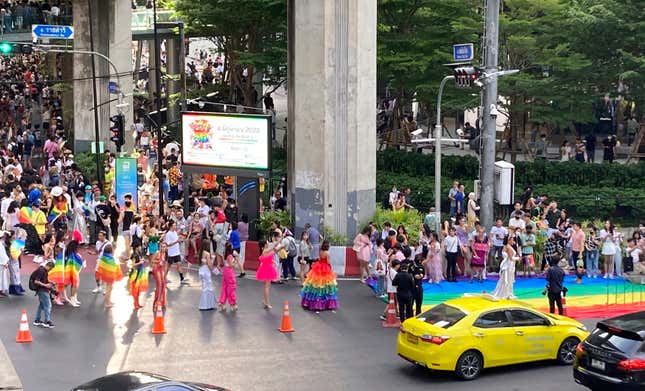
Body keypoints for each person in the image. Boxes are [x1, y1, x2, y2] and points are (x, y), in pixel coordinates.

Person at [301, 240, 338, 311]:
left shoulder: (320, 251)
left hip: (318, 266)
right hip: (325, 268)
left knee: (315, 284)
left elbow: (320, 258)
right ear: (328, 246)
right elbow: (328, 262)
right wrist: (330, 269)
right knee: (326, 286)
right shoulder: (327, 253)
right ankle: (324, 303)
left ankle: (310, 301)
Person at [95, 238, 121, 308]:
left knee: (108, 289)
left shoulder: (104, 258)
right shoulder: (110, 259)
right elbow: (114, 267)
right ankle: (107, 302)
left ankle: (108, 301)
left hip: (106, 276)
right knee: (109, 289)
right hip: (110, 277)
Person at [31, 260, 56, 328]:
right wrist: (46, 285)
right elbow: (36, 281)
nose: (50, 270)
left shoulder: (43, 270)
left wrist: (51, 282)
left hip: (41, 290)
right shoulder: (41, 271)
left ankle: (37, 320)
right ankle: (47, 321)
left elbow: (44, 280)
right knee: (48, 305)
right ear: (48, 266)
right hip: (42, 290)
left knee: (42, 305)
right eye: (50, 269)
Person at [256, 239, 279, 309]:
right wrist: (281, 237)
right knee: (267, 287)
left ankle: (265, 301)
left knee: (266, 286)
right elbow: (274, 245)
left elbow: (267, 258)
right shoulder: (265, 250)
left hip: (267, 268)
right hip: (267, 269)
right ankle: (266, 302)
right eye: (267, 242)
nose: (268, 243)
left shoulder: (265, 250)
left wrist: (273, 262)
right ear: (265, 244)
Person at [219, 242, 239, 311]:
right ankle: (232, 303)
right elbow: (231, 265)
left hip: (225, 271)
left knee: (225, 287)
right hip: (229, 272)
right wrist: (236, 260)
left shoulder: (225, 254)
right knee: (231, 287)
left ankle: (222, 303)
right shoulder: (230, 256)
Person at [8, 229, 27, 296]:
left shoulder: (14, 242)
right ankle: (15, 290)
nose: (15, 236)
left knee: (17, 274)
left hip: (15, 260)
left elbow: (19, 249)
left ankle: (18, 288)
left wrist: (20, 249)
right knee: (14, 275)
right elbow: (13, 254)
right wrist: (19, 251)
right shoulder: (10, 243)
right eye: (14, 235)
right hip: (12, 261)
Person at [197, 241, 216, 311]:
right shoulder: (207, 254)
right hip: (206, 271)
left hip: (202, 270)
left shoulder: (201, 252)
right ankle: (206, 305)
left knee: (205, 287)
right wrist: (214, 270)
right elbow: (209, 264)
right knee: (208, 287)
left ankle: (206, 305)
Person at [410, 251, 426, 316]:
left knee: (419, 305)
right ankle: (410, 317)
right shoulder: (411, 266)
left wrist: (422, 275)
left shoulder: (421, 266)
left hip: (419, 287)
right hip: (412, 287)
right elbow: (409, 274)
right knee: (410, 305)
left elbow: (423, 273)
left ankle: (417, 317)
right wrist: (413, 276)